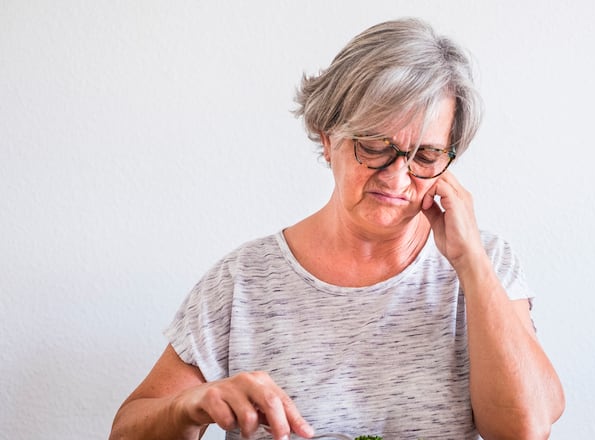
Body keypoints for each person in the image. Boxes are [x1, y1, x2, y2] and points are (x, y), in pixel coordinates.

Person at [109, 17, 564, 440]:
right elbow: (127, 428)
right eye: (374, 146)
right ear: (328, 138)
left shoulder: (486, 264)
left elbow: (524, 430)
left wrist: (471, 265)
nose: (397, 177)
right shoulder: (244, 280)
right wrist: (190, 405)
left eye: (425, 156)